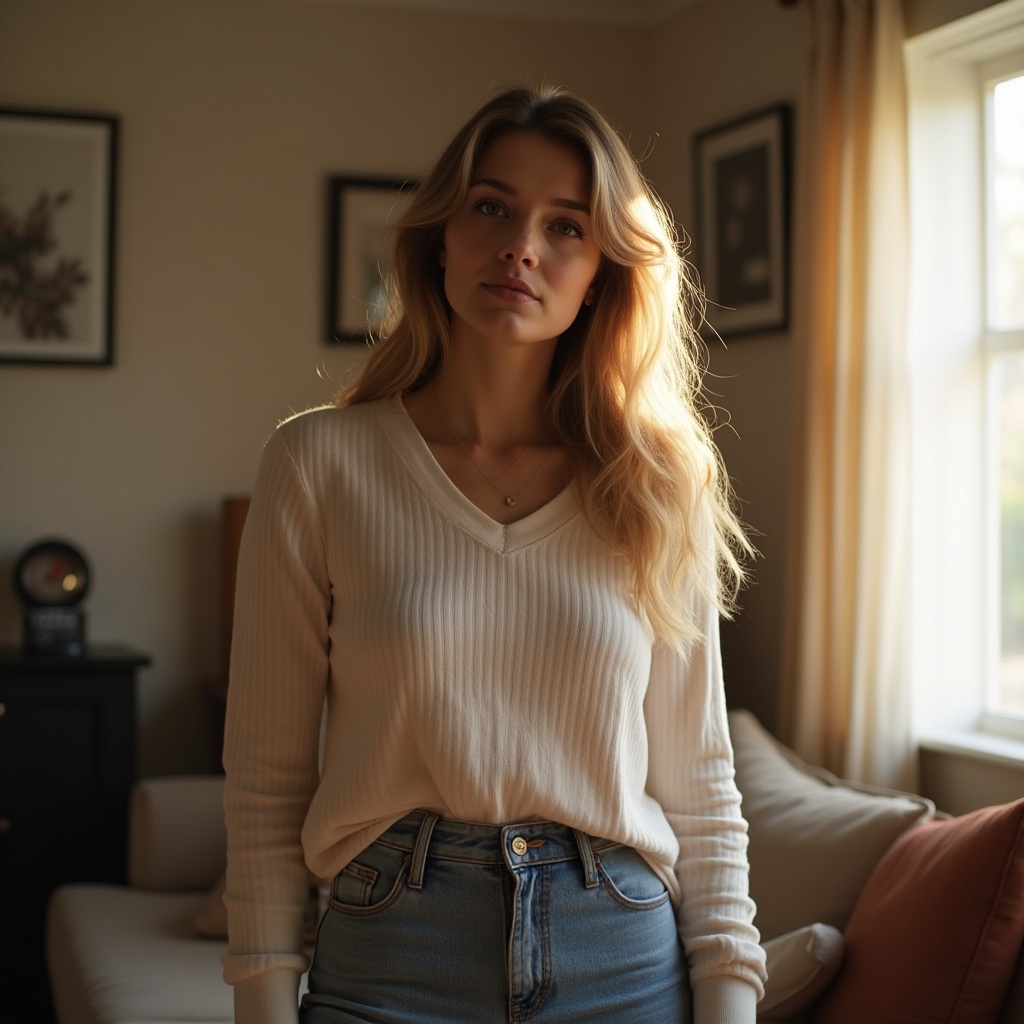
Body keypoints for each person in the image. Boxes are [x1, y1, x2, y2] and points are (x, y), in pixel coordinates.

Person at [222, 84, 768, 1024]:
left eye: (566, 227)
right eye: (492, 208)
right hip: (393, 955)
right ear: (440, 236)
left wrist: (729, 991)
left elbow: (701, 786)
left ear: (600, 273)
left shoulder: (655, 480)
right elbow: (266, 783)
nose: (522, 246)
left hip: (621, 956)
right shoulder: (318, 464)